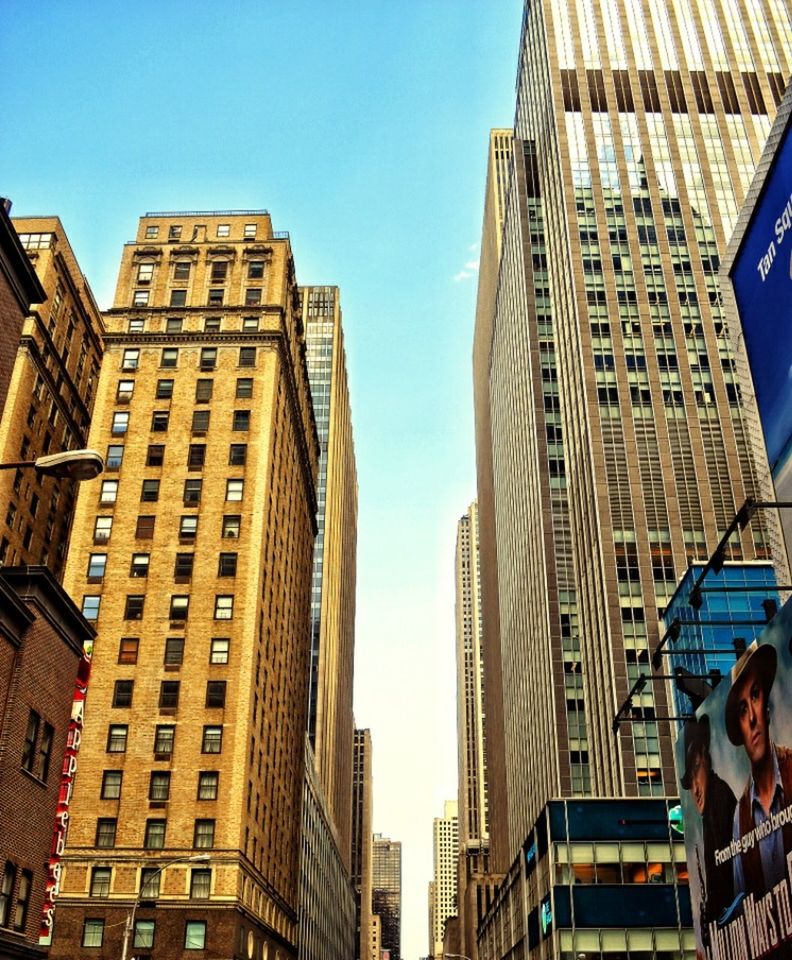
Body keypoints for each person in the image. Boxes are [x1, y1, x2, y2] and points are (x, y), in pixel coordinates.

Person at [726, 640, 792, 898]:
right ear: (739, 728)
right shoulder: (739, 818)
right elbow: (742, 907)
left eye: (755, 694)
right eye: (742, 710)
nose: (752, 716)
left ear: (766, 704)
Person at [680, 715, 736, 925]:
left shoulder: (720, 799)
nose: (694, 788)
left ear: (706, 758)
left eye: (696, 768)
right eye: (689, 780)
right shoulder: (709, 812)